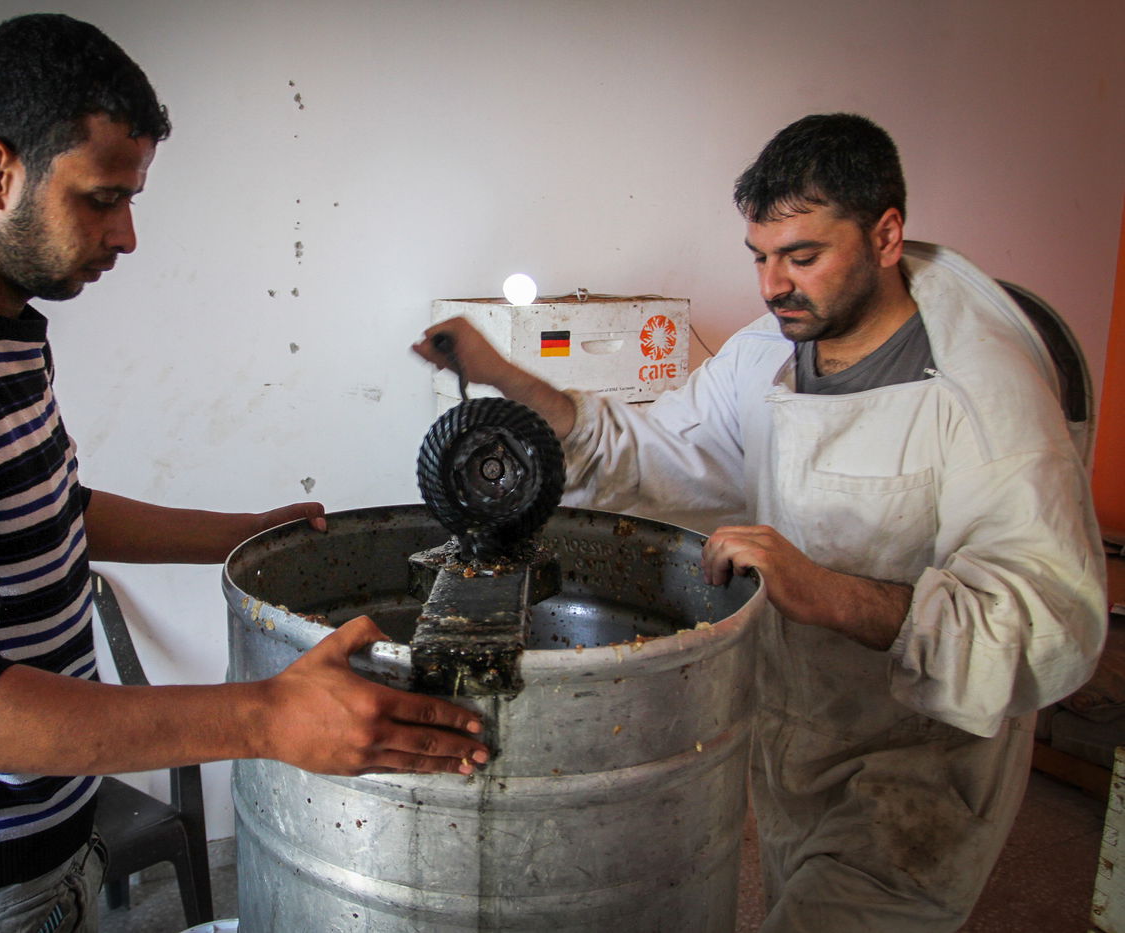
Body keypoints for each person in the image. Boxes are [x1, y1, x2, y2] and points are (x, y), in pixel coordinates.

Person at [0, 14, 488, 932]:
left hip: (37, 834)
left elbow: (48, 510)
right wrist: (265, 716)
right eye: (103, 198)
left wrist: (243, 537)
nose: (129, 235)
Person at [414, 113, 1106, 930]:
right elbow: (652, 451)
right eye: (761, 258)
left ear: (887, 236)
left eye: (803, 256)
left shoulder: (981, 390)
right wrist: (504, 372)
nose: (773, 283)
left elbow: (1052, 626)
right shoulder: (765, 354)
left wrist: (830, 593)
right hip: (794, 746)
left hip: (920, 778)